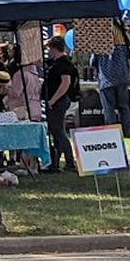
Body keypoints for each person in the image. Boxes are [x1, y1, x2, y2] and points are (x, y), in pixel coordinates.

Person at [44, 36, 78, 173]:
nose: (48, 52)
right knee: (55, 131)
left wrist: (53, 100)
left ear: (54, 48)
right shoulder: (54, 62)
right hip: (55, 100)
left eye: (49, 49)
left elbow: (65, 83)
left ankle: (70, 162)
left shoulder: (63, 63)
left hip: (59, 101)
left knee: (58, 131)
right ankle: (55, 162)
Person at [90, 39, 130, 138]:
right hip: (122, 78)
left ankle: (113, 133)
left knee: (109, 108)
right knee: (124, 107)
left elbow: (92, 63)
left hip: (106, 80)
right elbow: (129, 59)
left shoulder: (99, 44)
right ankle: (127, 131)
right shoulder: (123, 44)